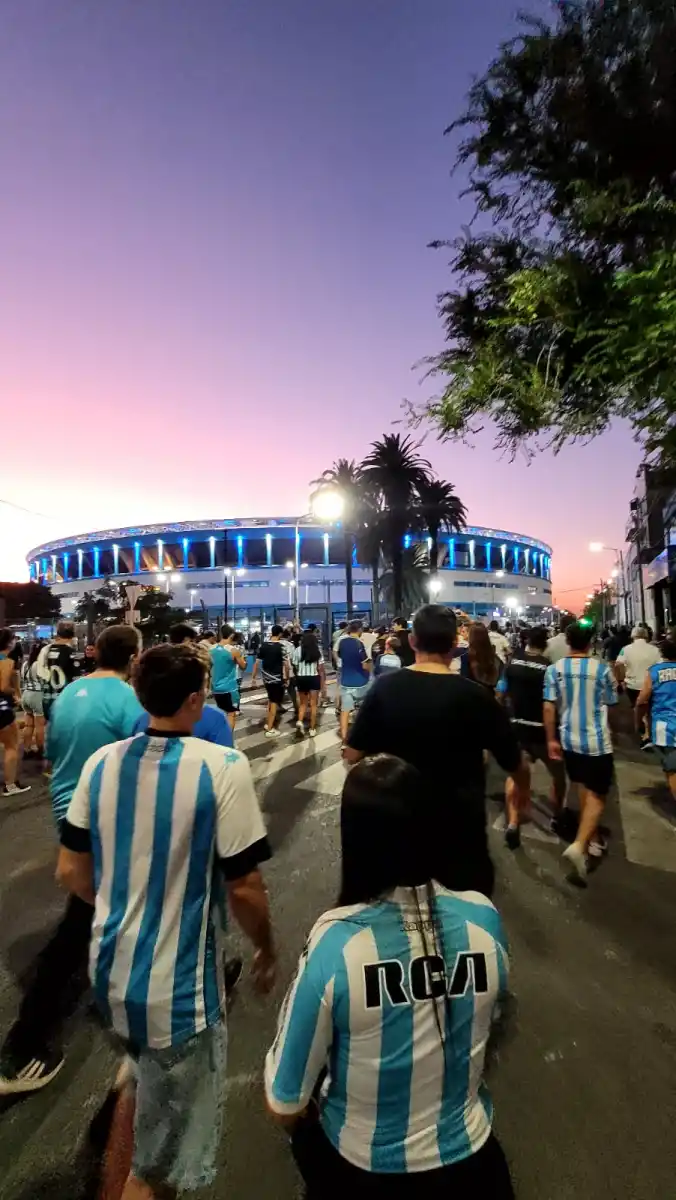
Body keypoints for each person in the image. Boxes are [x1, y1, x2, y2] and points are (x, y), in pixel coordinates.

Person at [56, 643, 275, 1198]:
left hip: (109, 970)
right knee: (159, 1169)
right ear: (197, 699)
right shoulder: (222, 767)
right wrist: (266, 948)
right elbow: (244, 886)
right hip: (180, 993)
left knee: (143, 1069)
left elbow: (70, 871)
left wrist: (120, 902)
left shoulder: (101, 763)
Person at [265, 754, 514, 1198]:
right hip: (473, 1165)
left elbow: (285, 1101)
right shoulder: (482, 918)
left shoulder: (336, 943)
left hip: (362, 1169)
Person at [0, 625, 143, 1094]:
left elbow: (52, 754)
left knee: (105, 906)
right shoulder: (129, 703)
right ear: (134, 657)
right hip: (104, 819)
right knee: (77, 925)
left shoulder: (69, 694)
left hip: (68, 812)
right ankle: (23, 1046)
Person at [344, 605, 527, 897]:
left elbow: (352, 753)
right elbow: (515, 764)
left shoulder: (384, 688)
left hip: (398, 833)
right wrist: (522, 794)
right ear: (454, 644)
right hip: (459, 836)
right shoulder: (476, 696)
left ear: (412, 641)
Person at [544, 621, 618, 883]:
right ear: (590, 642)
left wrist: (551, 739)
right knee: (597, 795)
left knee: (582, 786)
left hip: (568, 739)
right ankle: (580, 844)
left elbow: (549, 707)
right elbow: (611, 702)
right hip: (596, 741)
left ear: (568, 642)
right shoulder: (602, 669)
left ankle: (592, 838)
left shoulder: (555, 669)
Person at [497, 626, 566, 849]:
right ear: (545, 644)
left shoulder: (512, 663)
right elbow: (552, 703)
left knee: (515, 776)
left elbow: (500, 693)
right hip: (541, 731)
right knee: (558, 776)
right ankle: (556, 816)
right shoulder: (549, 668)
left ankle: (513, 823)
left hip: (517, 728)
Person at [635, 639, 676, 794]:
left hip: (666, 727)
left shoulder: (654, 671)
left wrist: (638, 722)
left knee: (672, 768)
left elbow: (642, 700)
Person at [0, 629, 30, 796]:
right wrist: (15, 694)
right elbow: (4, 687)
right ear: (9, 642)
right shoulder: (6, 662)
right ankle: (10, 785)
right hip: (2, 707)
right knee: (12, 746)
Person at [37, 620, 84, 721]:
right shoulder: (73, 653)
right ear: (73, 634)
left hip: (47, 697)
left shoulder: (45, 650)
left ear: (58, 633)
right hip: (65, 700)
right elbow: (76, 680)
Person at [252, 624, 290, 737]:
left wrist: (253, 678)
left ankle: (268, 723)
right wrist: (287, 678)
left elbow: (256, 663)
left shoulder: (263, 645)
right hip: (277, 678)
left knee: (270, 699)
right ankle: (270, 728)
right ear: (280, 634)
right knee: (274, 702)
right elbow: (286, 665)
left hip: (266, 678)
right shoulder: (282, 646)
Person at [337, 621, 371, 743]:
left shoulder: (342, 642)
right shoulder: (359, 644)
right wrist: (370, 670)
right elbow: (365, 665)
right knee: (364, 710)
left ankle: (344, 738)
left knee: (345, 711)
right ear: (360, 629)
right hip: (360, 682)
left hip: (345, 681)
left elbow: (340, 657)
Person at [210, 623, 247, 732]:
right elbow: (243, 666)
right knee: (231, 714)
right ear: (231, 635)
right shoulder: (233, 650)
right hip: (230, 689)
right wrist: (243, 658)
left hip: (216, 688)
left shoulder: (211, 649)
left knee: (222, 714)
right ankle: (228, 739)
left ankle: (221, 737)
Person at [614, 626, 661, 707]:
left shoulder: (625, 649)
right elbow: (661, 666)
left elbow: (618, 665)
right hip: (651, 685)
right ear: (646, 636)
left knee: (637, 706)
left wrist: (621, 681)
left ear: (632, 636)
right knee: (650, 707)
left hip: (632, 685)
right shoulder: (655, 649)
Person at [292, 630, 323, 737]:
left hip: (301, 678)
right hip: (313, 678)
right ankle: (312, 728)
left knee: (303, 703)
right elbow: (320, 667)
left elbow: (295, 665)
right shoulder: (317, 650)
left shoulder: (297, 650)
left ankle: (300, 721)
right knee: (313, 704)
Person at [20, 642, 46, 760]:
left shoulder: (25, 664)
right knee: (39, 726)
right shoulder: (40, 664)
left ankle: (26, 750)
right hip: (37, 695)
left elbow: (22, 680)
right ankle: (40, 752)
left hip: (26, 694)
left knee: (28, 725)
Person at [467, 623, 502, 692]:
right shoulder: (493, 654)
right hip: (490, 693)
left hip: (472, 694)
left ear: (471, 637)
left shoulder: (467, 655)